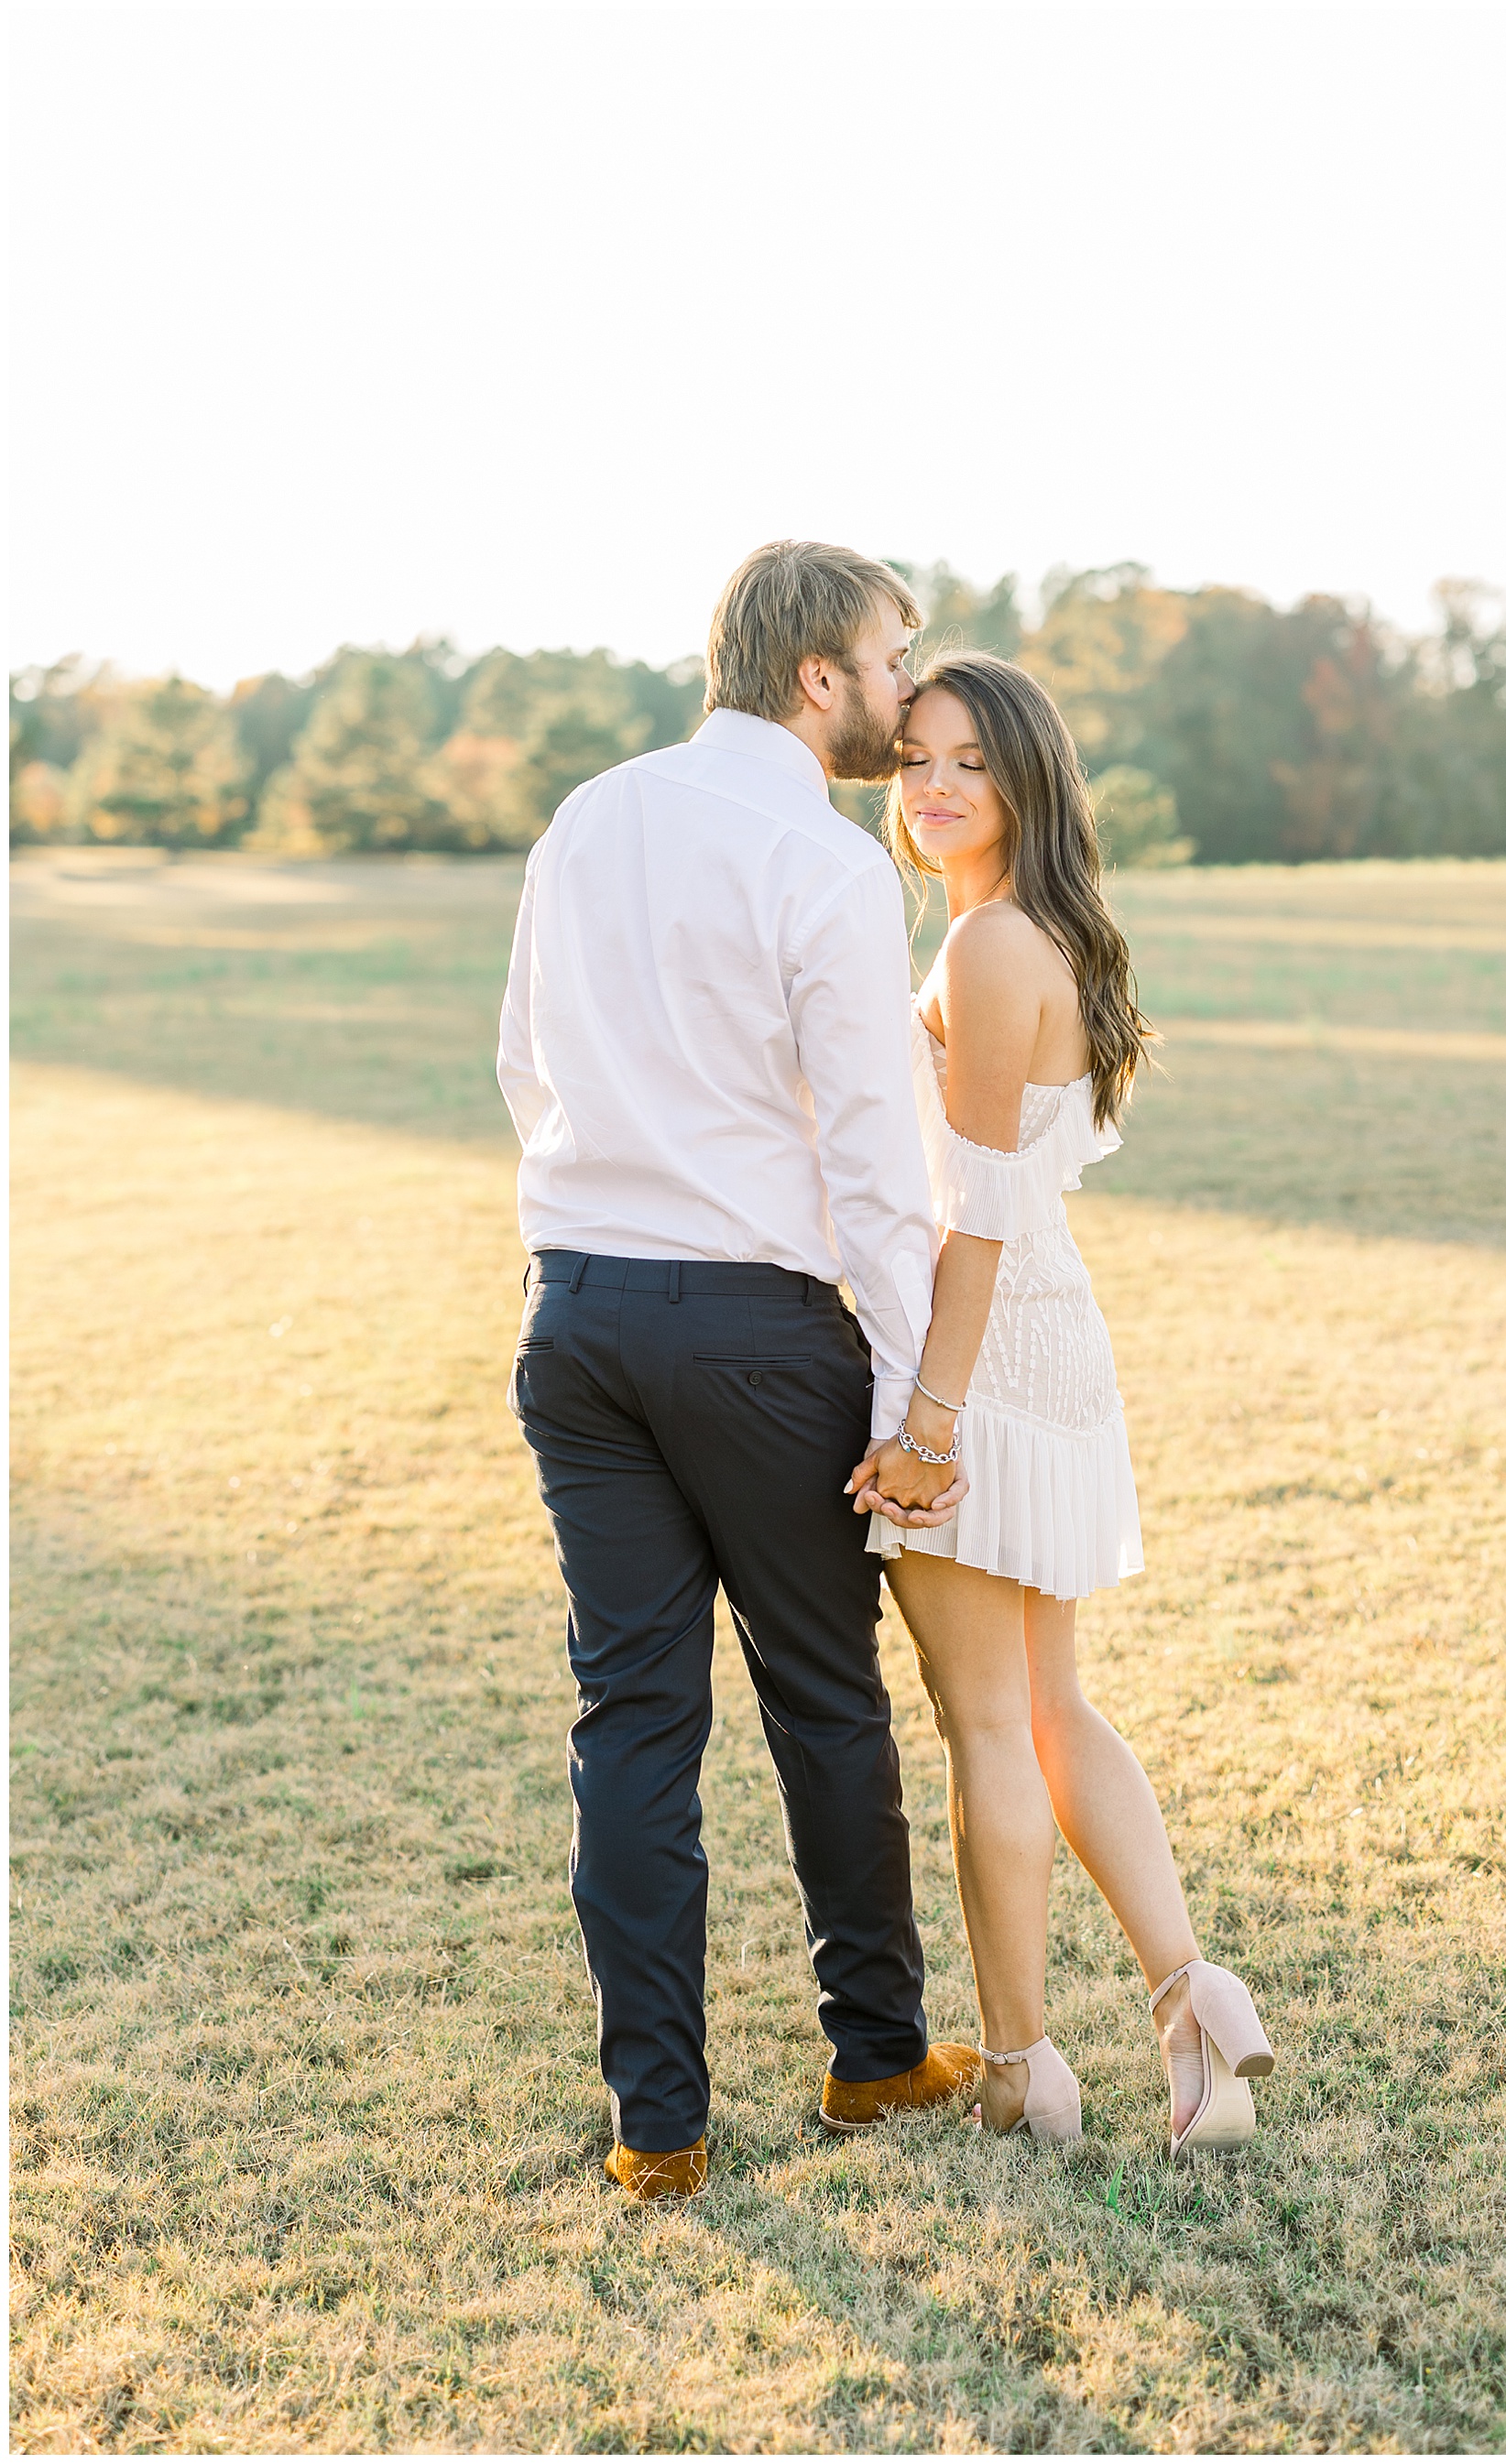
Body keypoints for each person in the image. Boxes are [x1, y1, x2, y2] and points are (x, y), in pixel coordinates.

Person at [497, 541, 983, 2203]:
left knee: (630, 1718)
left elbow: (521, 1063)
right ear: (818, 678)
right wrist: (923, 1405)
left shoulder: (586, 815)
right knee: (824, 1696)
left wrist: (588, 1231)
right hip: (755, 1330)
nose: (913, 687)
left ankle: (659, 2126)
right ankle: (873, 2054)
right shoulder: (824, 862)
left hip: (574, 1317)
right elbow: (870, 1162)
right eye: (894, 656)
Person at [848, 652, 1276, 2159]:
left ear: (1028, 778)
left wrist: (930, 1420)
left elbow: (972, 1218)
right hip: (1053, 1341)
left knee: (986, 1724)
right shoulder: (1052, 935)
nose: (936, 786)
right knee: (1049, 1704)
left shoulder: (981, 950)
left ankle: (1026, 2063)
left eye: (970, 759)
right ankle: (1194, 1996)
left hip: (983, 1355)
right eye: (915, 760)